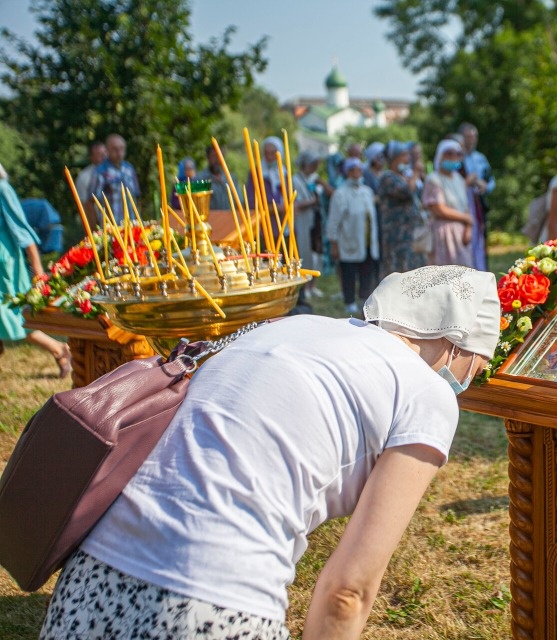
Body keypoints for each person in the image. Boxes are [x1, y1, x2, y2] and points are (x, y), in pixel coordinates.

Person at [39, 264, 501, 640]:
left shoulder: (293, 326)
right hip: (212, 604)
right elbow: (347, 591)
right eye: (475, 367)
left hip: (87, 581)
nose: (469, 381)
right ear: (453, 343)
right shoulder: (426, 393)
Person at [0, 163, 71, 378]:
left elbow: (23, 231)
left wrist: (38, 272)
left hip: (6, 267)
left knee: (12, 316)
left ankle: (59, 349)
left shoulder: (2, 189)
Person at [327, 157, 379, 315]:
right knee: (349, 272)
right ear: (347, 172)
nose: (357, 173)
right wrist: (334, 244)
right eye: (353, 170)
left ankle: (364, 297)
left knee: (366, 270)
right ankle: (349, 300)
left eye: (359, 169)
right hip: (349, 240)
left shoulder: (367, 192)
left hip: (368, 241)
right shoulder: (341, 194)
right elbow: (333, 221)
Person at [378, 140, 428, 277]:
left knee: (415, 270)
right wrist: (416, 173)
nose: (408, 159)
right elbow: (406, 191)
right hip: (397, 236)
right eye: (405, 155)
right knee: (399, 273)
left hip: (412, 234)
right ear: (395, 158)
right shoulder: (387, 178)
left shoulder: (405, 176)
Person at [422, 139, 474, 267]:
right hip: (443, 234)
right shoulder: (434, 179)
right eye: (449, 153)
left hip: (460, 233)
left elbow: (465, 206)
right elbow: (438, 208)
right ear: (440, 156)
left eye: (457, 154)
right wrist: (467, 219)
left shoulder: (459, 179)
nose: (453, 157)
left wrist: (468, 228)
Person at [459, 123, 495, 270]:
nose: (471, 140)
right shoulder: (457, 158)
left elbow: (491, 180)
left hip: (479, 205)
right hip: (462, 206)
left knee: (481, 242)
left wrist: (486, 187)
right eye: (468, 137)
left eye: (474, 137)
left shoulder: (481, 158)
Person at [292, 150, 326, 300]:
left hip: (315, 220)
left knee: (317, 252)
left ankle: (313, 286)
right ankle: (304, 286)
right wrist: (313, 201)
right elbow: (297, 203)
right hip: (303, 221)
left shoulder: (315, 179)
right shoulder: (295, 180)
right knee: (304, 251)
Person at [90, 133, 141, 225]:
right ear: (107, 150)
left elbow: (136, 198)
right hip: (111, 226)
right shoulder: (101, 171)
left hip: (132, 224)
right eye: (115, 149)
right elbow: (92, 201)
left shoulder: (129, 169)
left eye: (122, 148)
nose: (119, 152)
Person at [246, 136, 286, 240]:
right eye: (266, 153)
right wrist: (272, 208)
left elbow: (290, 194)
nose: (269, 156)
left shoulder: (284, 172)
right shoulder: (256, 172)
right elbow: (251, 200)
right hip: (264, 224)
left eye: (273, 153)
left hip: (283, 222)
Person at [75, 141, 106, 227]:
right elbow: (84, 205)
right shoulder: (84, 177)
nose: (104, 157)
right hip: (99, 224)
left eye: (105, 153)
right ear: (91, 157)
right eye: (99, 154)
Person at [196, 145, 236, 211]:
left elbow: (239, 202)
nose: (217, 159)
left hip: (230, 219)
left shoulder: (231, 178)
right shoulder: (199, 180)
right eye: (214, 156)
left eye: (220, 156)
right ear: (208, 157)